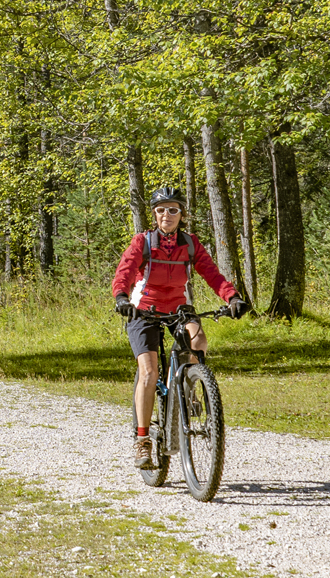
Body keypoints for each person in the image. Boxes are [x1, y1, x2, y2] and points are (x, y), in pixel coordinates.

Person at [109, 187, 250, 469]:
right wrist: (121, 297)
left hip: (177, 308)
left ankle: (192, 389)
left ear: (181, 214)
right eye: (161, 210)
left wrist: (232, 297)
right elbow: (125, 271)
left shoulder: (191, 243)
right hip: (143, 310)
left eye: (173, 210)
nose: (167, 215)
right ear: (154, 215)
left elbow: (212, 273)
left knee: (197, 340)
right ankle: (142, 440)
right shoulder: (143, 242)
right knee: (149, 373)